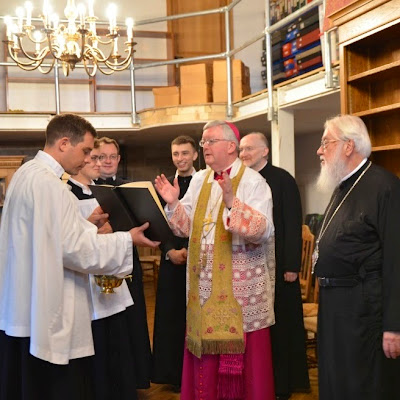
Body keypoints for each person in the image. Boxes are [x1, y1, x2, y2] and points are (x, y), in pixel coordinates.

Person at [0, 113, 159, 400]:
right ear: (64, 143)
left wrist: (87, 223)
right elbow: (75, 250)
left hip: (24, 296)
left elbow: (49, 235)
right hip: (49, 299)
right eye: (85, 150)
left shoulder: (26, 174)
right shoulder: (51, 185)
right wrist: (128, 239)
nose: (87, 159)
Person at [155, 120, 276, 400]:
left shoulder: (254, 182)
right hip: (204, 287)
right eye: (203, 142)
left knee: (248, 370)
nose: (204, 147)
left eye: (210, 141)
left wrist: (232, 202)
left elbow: (264, 231)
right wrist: (173, 203)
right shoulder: (201, 180)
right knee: (204, 365)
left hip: (240, 291)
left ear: (231, 146)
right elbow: (185, 228)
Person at [314, 114, 400, 400]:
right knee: (335, 381)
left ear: (348, 146)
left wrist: (394, 326)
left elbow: (396, 261)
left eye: (326, 142)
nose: (319, 150)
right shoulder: (343, 185)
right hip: (335, 305)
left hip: (363, 310)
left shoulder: (385, 187)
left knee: (361, 385)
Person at [67, 140, 141, 400]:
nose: (99, 163)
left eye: (102, 158)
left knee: (115, 339)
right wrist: (94, 229)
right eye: (94, 157)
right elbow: (70, 242)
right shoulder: (66, 194)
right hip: (87, 281)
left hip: (111, 278)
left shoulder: (102, 191)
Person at [239, 133, 310, 399]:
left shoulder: (283, 179)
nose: (243, 153)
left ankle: (284, 384)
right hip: (251, 267)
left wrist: (291, 265)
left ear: (265, 151)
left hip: (280, 268)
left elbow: (292, 224)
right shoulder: (242, 181)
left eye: (249, 148)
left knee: (282, 328)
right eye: (241, 149)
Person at [95, 135, 152, 389]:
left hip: (128, 263)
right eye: (101, 156)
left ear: (118, 159)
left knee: (132, 320)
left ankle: (133, 377)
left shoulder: (130, 188)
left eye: (112, 157)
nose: (107, 161)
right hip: (100, 264)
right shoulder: (85, 188)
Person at [152, 135, 198, 391]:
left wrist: (191, 251)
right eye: (176, 154)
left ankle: (196, 373)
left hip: (198, 261)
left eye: (185, 153)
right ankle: (172, 375)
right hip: (171, 260)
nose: (180, 158)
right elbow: (156, 222)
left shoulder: (205, 182)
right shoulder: (164, 186)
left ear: (195, 155)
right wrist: (170, 251)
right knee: (171, 318)